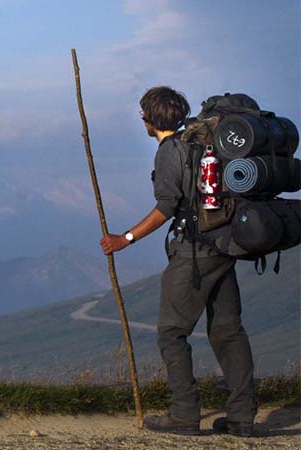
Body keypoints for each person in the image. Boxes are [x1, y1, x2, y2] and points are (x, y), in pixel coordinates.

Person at [99, 86, 257, 437]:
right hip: (225, 246)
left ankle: (184, 414)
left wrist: (124, 239)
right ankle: (242, 417)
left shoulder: (171, 151)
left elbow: (167, 207)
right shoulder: (205, 141)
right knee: (228, 332)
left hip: (194, 253)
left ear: (149, 120)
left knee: (172, 333)